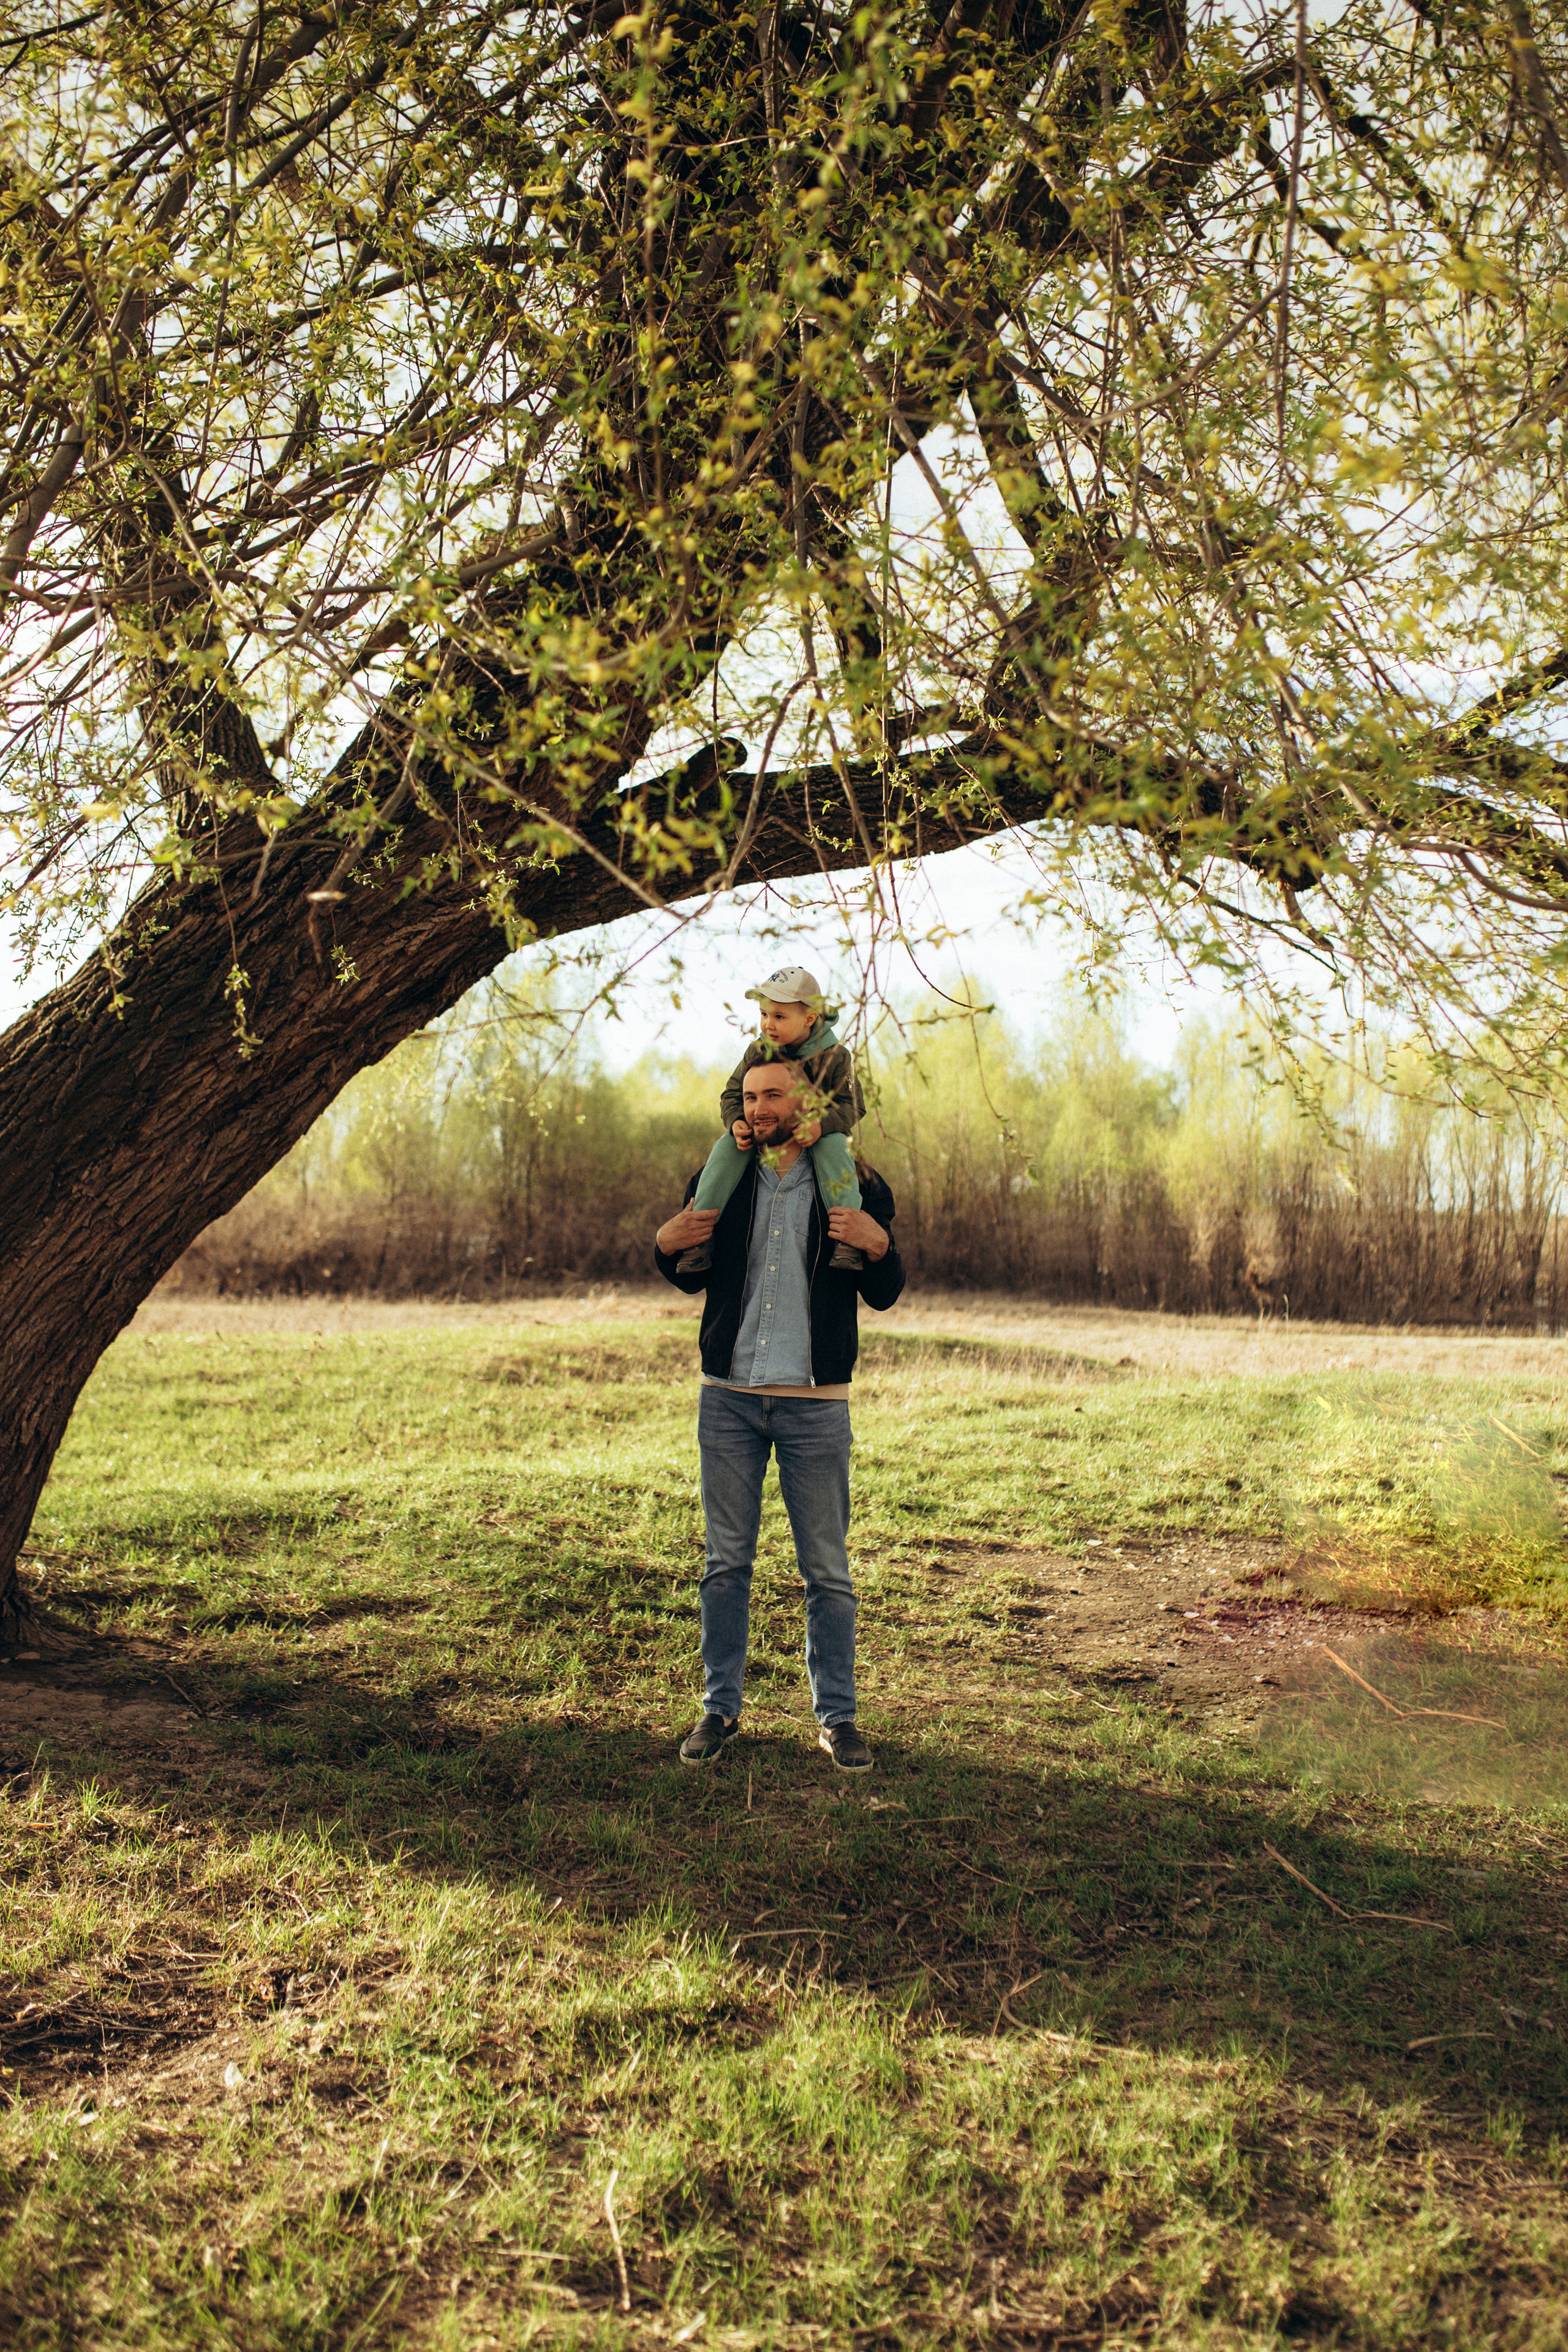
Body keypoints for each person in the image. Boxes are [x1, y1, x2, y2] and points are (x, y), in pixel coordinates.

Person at [654, 1054, 905, 1773]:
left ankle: (838, 1718)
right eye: (751, 1095)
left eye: (774, 1095)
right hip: (727, 1399)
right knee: (725, 1565)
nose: (759, 1107)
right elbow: (688, 1272)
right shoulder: (721, 1178)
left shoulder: (853, 1181)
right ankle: (719, 1709)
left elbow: (884, 1289)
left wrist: (878, 1245)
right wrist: (664, 1246)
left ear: (810, 1102)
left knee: (826, 1571)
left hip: (815, 1406)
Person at [676, 963, 867, 1274]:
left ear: (809, 1018)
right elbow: (732, 1094)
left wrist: (821, 1125)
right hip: (765, 1130)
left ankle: (847, 1239)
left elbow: (853, 1104)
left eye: (779, 1017)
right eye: (764, 1015)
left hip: (817, 1132)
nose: (768, 1024)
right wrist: (736, 1121)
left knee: (836, 1148)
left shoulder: (835, 1056)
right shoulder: (757, 1050)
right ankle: (698, 1237)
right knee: (725, 1148)